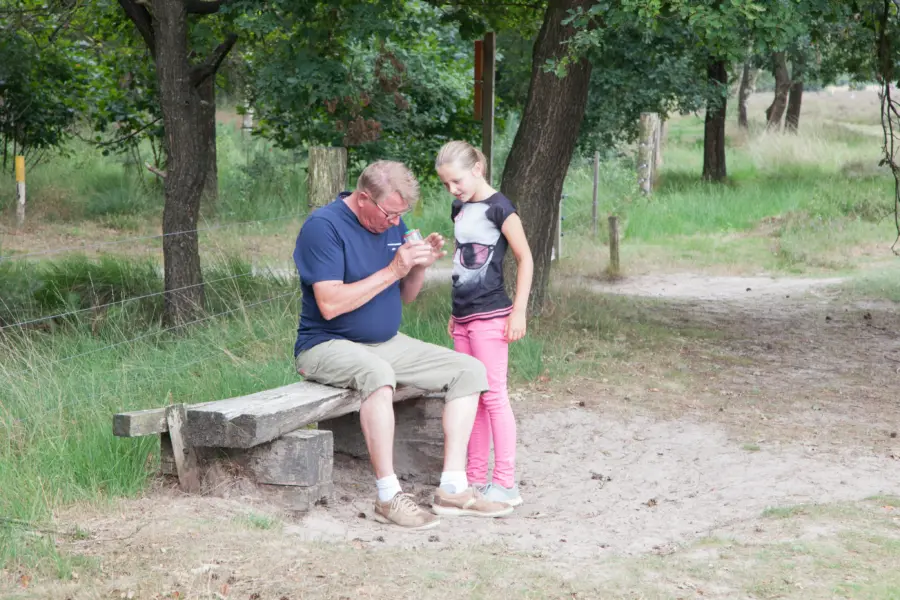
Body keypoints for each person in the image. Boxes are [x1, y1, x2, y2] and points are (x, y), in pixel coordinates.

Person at [292, 160, 514, 530]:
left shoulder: (390, 222)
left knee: (469, 370)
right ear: (363, 198)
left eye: (402, 215)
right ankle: (388, 495)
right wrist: (395, 269)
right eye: (389, 214)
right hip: (325, 344)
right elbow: (330, 305)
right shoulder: (323, 227)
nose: (395, 222)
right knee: (378, 374)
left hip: (385, 341)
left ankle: (453, 489)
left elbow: (406, 297)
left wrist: (418, 268)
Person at [435, 141, 534, 507]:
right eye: (445, 184)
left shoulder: (501, 209)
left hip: (492, 317)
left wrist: (518, 311)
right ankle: (473, 479)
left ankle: (505, 483)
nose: (452, 190)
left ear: (477, 168)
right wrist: (454, 312)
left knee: (494, 397)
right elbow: (464, 263)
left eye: (456, 181)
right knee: (468, 397)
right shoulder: (459, 207)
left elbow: (525, 259)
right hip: (462, 319)